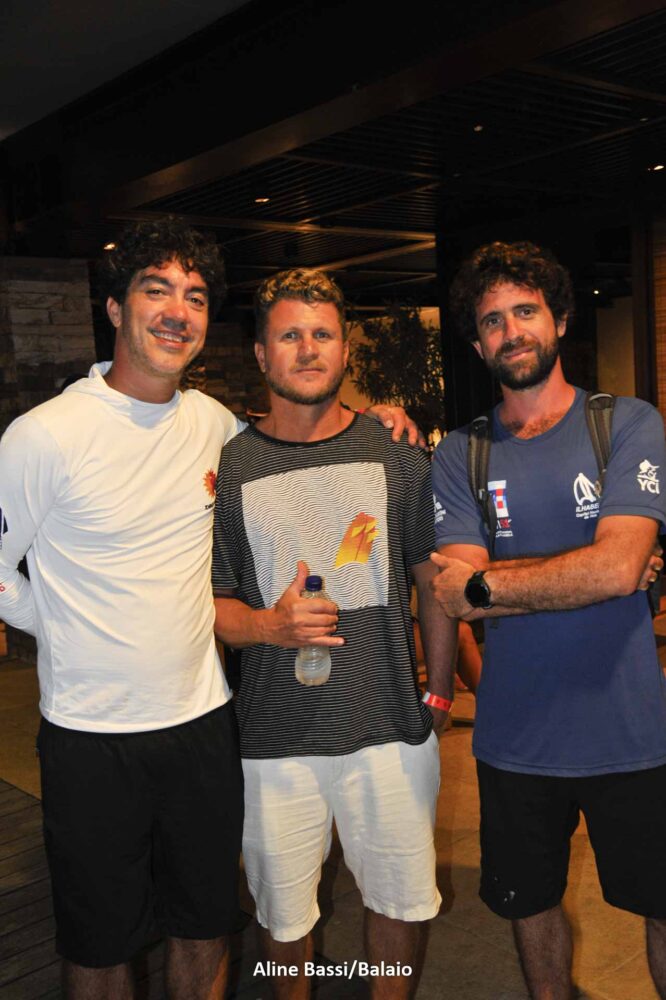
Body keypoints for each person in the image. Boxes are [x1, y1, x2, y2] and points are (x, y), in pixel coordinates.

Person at [0, 220, 418, 1000]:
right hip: (91, 738)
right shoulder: (46, 435)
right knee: (100, 945)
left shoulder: (214, 427)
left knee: (205, 927)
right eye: (156, 290)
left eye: (194, 296)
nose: (177, 311)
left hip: (203, 725)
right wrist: (49, 618)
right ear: (115, 308)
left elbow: (296, 440)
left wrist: (380, 420)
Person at [212, 267, 457, 999]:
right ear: (262, 353)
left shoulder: (397, 453)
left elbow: (431, 580)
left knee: (399, 905)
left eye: (322, 333)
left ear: (346, 347)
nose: (308, 348)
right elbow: (215, 604)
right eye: (289, 335)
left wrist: (439, 693)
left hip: (388, 728)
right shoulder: (233, 465)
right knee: (283, 920)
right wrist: (269, 625)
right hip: (274, 738)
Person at [430, 240, 666, 1000]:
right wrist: (587, 569)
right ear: (477, 344)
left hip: (632, 731)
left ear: (559, 320)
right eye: (492, 320)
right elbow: (453, 593)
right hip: (515, 739)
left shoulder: (626, 424)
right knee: (529, 907)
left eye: (525, 311)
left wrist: (493, 583)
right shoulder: (460, 453)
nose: (511, 331)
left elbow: (618, 568)